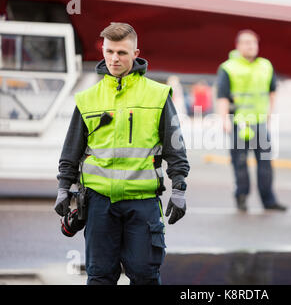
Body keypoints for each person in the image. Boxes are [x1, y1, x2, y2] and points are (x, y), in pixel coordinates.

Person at [54, 23, 190, 284]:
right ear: (103, 51)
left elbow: (176, 148)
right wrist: (63, 187)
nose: (115, 58)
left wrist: (180, 188)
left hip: (142, 204)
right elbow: (71, 149)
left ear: (135, 53)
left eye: (122, 53)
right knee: (100, 277)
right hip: (98, 204)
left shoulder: (158, 95)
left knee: (145, 276)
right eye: (109, 51)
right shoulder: (87, 99)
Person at [216, 29, 287, 212]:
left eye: (254, 43)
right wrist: (224, 120)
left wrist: (270, 114)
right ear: (238, 46)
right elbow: (222, 96)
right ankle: (241, 197)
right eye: (247, 43)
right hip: (238, 123)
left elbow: (272, 91)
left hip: (260, 122)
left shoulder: (265, 65)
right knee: (239, 163)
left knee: (265, 164)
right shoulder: (228, 67)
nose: (251, 46)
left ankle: (269, 200)